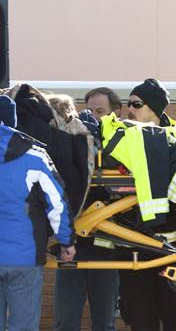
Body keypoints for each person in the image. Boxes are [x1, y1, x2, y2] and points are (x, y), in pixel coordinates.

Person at [0, 95, 76, 331]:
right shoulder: (36, 158)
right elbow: (58, 203)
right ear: (14, 121)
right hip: (24, 257)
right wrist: (67, 241)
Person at [118, 78, 176, 331]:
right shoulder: (120, 141)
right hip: (134, 249)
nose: (128, 109)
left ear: (153, 108)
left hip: (174, 249)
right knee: (140, 319)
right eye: (128, 103)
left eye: (136, 103)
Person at [54, 90, 121, 331]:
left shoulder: (122, 146)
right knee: (65, 323)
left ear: (115, 113)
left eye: (100, 112)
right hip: (72, 249)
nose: (92, 116)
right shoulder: (71, 145)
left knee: (104, 324)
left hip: (107, 253)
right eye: (89, 111)